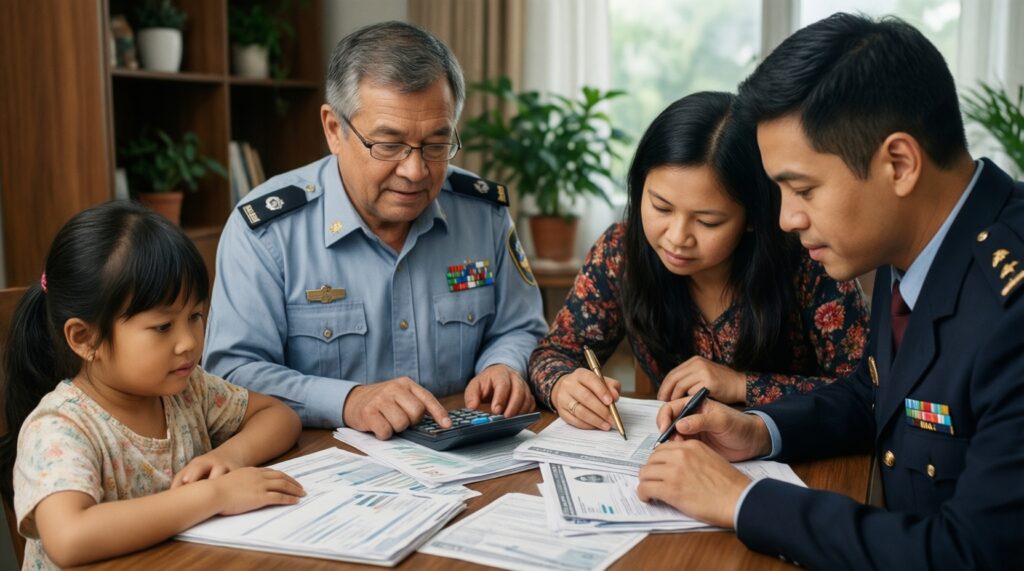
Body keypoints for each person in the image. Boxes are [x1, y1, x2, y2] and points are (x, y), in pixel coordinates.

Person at [637, 13, 1024, 568]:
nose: (786, 219)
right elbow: (877, 395)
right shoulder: (912, 240)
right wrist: (759, 430)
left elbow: (969, 552)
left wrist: (742, 500)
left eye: (803, 189)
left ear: (899, 164)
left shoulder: (1011, 303)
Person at [203, 21, 547, 437]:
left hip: (464, 450)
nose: (415, 171)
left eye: (436, 145)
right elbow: (231, 375)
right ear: (334, 129)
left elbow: (519, 325)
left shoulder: (482, 215)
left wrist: (504, 365)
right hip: (322, 459)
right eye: (389, 145)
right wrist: (348, 401)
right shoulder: (268, 232)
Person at [528, 91, 868, 430]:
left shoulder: (812, 260)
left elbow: (866, 391)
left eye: (707, 221)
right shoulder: (621, 252)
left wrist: (741, 385)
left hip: (801, 454)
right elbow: (553, 354)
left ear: (752, 217)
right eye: (661, 207)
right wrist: (562, 385)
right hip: (673, 451)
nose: (677, 237)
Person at [0, 202, 304, 570]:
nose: (188, 342)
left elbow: (279, 416)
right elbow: (70, 537)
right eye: (163, 327)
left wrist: (229, 457)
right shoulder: (60, 427)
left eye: (195, 316)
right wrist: (214, 495)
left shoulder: (188, 391)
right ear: (85, 338)